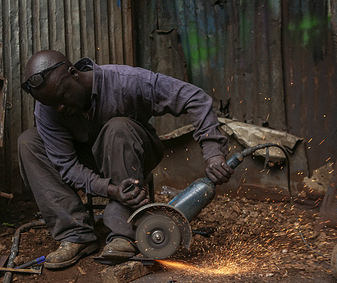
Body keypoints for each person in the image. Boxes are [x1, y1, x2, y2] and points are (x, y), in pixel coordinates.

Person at [18, 50, 233, 269]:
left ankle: (124, 233)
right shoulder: (48, 108)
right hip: (91, 162)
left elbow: (194, 97)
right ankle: (75, 234)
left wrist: (213, 151)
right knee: (29, 142)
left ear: (74, 73)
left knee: (117, 127)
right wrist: (110, 189)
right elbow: (67, 165)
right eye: (52, 104)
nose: (59, 108)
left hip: (135, 151)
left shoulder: (126, 81)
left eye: (62, 97)